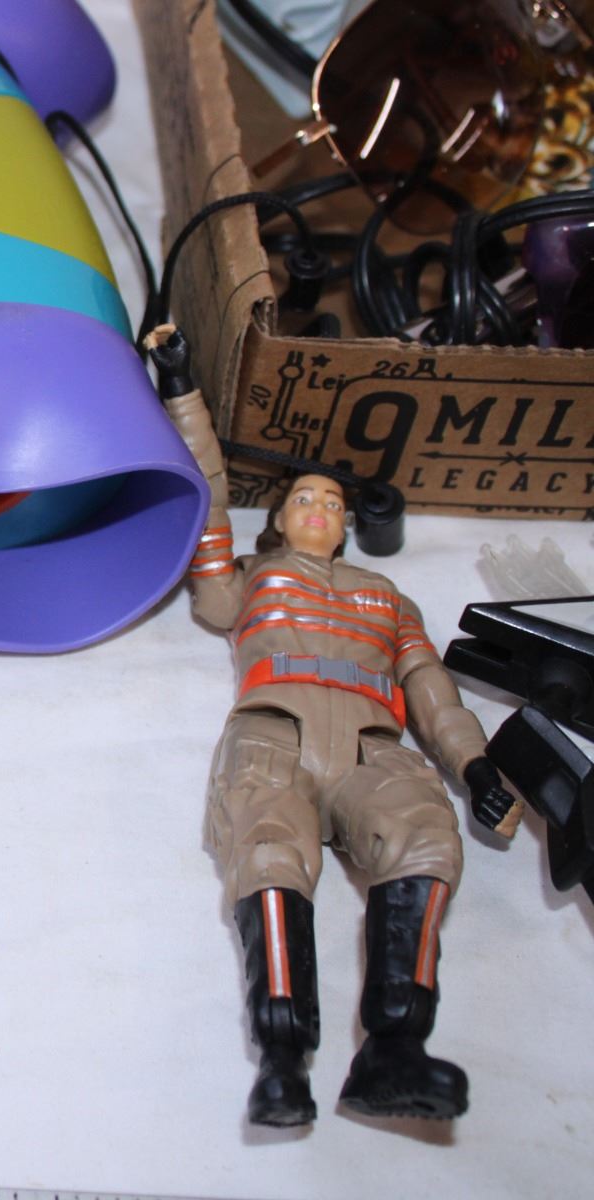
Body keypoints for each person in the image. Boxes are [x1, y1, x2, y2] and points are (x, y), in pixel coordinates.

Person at [164, 374, 520, 1127]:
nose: (320, 509)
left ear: (348, 526)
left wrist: (474, 765)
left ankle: (396, 1046)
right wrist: (184, 395)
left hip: (371, 745)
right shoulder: (249, 581)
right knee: (269, 855)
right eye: (304, 498)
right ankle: (283, 1060)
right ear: (278, 521)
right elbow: (207, 503)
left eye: (333, 503)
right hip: (276, 731)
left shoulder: (388, 599)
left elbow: (429, 687)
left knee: (426, 839)